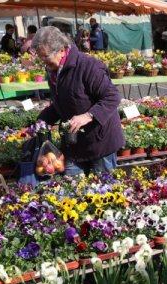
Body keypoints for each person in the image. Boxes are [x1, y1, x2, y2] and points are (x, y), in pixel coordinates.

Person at [31, 26, 124, 176]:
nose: (43, 62)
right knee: (72, 189)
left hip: (100, 141)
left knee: (104, 190)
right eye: (40, 58)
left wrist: (88, 116)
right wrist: (42, 120)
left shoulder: (88, 66)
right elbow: (62, 102)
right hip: (74, 143)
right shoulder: (53, 71)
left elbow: (112, 96)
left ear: (61, 50)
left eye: (46, 57)